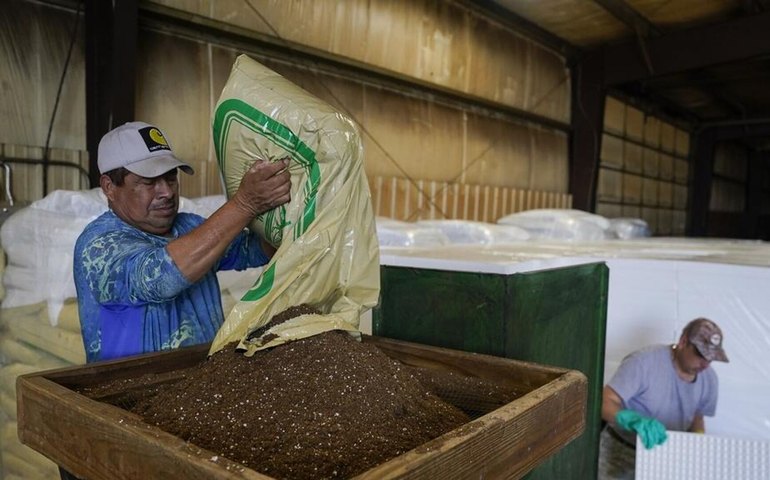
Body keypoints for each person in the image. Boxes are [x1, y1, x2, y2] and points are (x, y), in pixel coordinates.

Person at [73, 121, 291, 363]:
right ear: (109, 187)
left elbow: (252, 249)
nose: (166, 192)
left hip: (204, 381)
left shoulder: (188, 226)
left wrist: (291, 214)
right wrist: (245, 204)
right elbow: (159, 277)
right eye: (149, 182)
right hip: (132, 391)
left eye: (171, 178)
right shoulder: (98, 245)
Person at [597, 318, 729, 479]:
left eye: (711, 358)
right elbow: (605, 401)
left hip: (667, 457)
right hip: (622, 452)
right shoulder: (643, 362)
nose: (705, 364)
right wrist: (631, 419)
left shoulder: (709, 379)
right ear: (683, 341)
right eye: (700, 354)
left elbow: (697, 416)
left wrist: (697, 441)